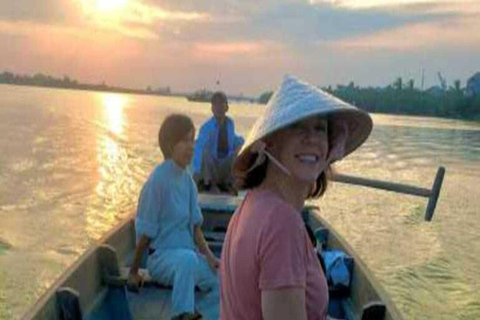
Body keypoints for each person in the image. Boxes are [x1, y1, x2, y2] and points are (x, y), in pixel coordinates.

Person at [219, 75, 373, 320]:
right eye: (298, 127)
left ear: (330, 147)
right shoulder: (282, 223)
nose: (311, 138)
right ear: (270, 142)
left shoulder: (253, 204)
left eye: (320, 129)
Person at [128, 114, 220, 320]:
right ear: (170, 145)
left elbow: (195, 228)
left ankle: (205, 314)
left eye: (192, 140)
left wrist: (211, 257)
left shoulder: (188, 182)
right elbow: (145, 233)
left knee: (221, 278)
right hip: (161, 259)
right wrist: (134, 271)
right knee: (186, 261)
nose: (191, 147)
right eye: (185, 141)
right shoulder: (157, 182)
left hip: (187, 257)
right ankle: (182, 314)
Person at [193, 91, 244, 194]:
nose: (219, 107)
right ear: (212, 108)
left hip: (224, 166)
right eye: (215, 104)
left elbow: (234, 139)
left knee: (240, 146)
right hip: (211, 169)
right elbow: (199, 148)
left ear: (227, 107)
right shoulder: (206, 127)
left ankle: (229, 183)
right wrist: (196, 174)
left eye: (221, 104)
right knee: (205, 151)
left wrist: (244, 143)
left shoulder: (230, 124)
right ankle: (211, 185)